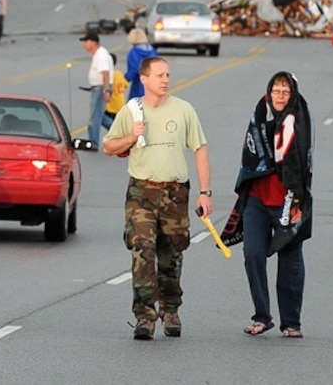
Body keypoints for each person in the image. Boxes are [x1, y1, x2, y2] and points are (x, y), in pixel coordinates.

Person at [103, 56, 212, 340]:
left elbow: (199, 149)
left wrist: (204, 192)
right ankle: (144, 316)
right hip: (142, 191)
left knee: (171, 255)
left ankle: (171, 308)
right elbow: (108, 146)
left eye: (167, 75)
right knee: (142, 250)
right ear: (145, 79)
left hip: (176, 192)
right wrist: (130, 137)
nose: (165, 80)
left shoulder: (183, 109)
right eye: (160, 75)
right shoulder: (132, 111)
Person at [224, 71, 313, 339]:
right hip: (257, 199)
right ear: (269, 92)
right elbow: (249, 151)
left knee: (290, 261)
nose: (280, 96)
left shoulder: (298, 119)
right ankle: (262, 316)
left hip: (288, 200)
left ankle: (291, 322)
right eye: (276, 91)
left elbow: (300, 162)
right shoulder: (259, 116)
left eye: (286, 92)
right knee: (253, 253)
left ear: (293, 94)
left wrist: (298, 200)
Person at [81, 32, 113, 147]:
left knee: (94, 117)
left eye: (86, 41)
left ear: (93, 42)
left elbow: (105, 74)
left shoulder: (101, 55)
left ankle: (93, 143)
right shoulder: (98, 54)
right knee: (100, 116)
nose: (84, 44)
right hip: (98, 87)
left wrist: (106, 91)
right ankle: (122, 133)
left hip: (100, 88)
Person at [125, 28, 158, 100]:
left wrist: (125, 79)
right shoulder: (152, 51)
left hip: (138, 85)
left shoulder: (134, 52)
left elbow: (134, 70)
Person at [104, 52, 129, 130]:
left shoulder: (108, 76)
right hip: (120, 105)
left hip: (111, 107)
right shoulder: (119, 74)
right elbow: (126, 85)